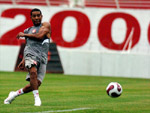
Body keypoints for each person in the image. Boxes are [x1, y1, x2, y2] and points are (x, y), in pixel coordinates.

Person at [4, 8, 51, 106]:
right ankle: (37, 99)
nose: (37, 17)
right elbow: (29, 46)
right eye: (34, 16)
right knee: (33, 72)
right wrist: (24, 59)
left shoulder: (45, 25)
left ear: (42, 16)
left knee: (36, 84)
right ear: (31, 18)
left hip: (42, 58)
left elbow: (39, 36)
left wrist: (24, 34)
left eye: (38, 15)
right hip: (31, 54)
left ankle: (14, 94)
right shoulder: (28, 30)